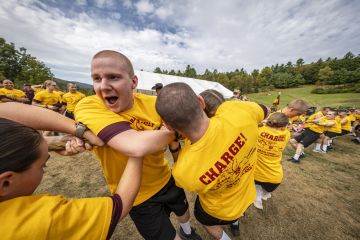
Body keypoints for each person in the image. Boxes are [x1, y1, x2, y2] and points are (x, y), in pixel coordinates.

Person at [74, 50, 200, 240]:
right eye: (97, 79)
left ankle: (188, 231)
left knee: (182, 209)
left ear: (134, 82)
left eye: (113, 77)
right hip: (134, 194)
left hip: (165, 177)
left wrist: (171, 136)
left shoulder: (155, 104)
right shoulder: (89, 106)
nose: (104, 86)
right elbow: (135, 145)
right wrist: (172, 133)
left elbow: (190, 125)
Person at [156, 82, 270, 240]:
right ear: (200, 102)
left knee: (205, 220)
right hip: (246, 195)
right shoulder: (236, 111)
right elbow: (266, 110)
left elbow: (181, 164)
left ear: (168, 126)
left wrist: (174, 146)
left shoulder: (183, 172)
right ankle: (235, 224)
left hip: (218, 210)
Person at [0, 114, 143, 239]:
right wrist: (136, 150)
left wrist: (50, 142)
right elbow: (120, 205)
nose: (43, 172)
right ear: (5, 182)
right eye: (42, 166)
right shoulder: (40, 219)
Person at [253, 113, 290, 210]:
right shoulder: (286, 134)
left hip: (255, 174)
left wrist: (261, 123)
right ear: (284, 127)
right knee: (266, 191)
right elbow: (285, 127)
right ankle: (263, 195)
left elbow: (252, 125)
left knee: (255, 183)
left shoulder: (259, 130)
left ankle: (257, 198)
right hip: (274, 178)